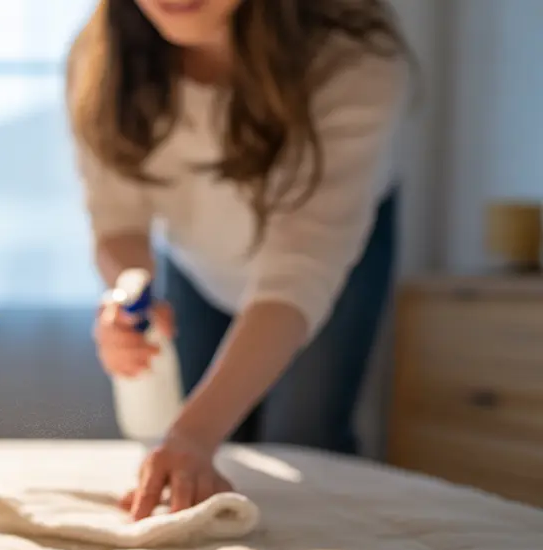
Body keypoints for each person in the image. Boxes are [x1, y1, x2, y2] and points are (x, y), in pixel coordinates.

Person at [65, 0, 412, 520]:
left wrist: (193, 434)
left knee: (305, 436)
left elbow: (299, 272)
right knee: (198, 448)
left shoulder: (356, 60)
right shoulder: (101, 55)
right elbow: (118, 218)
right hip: (197, 262)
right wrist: (129, 294)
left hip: (328, 266)